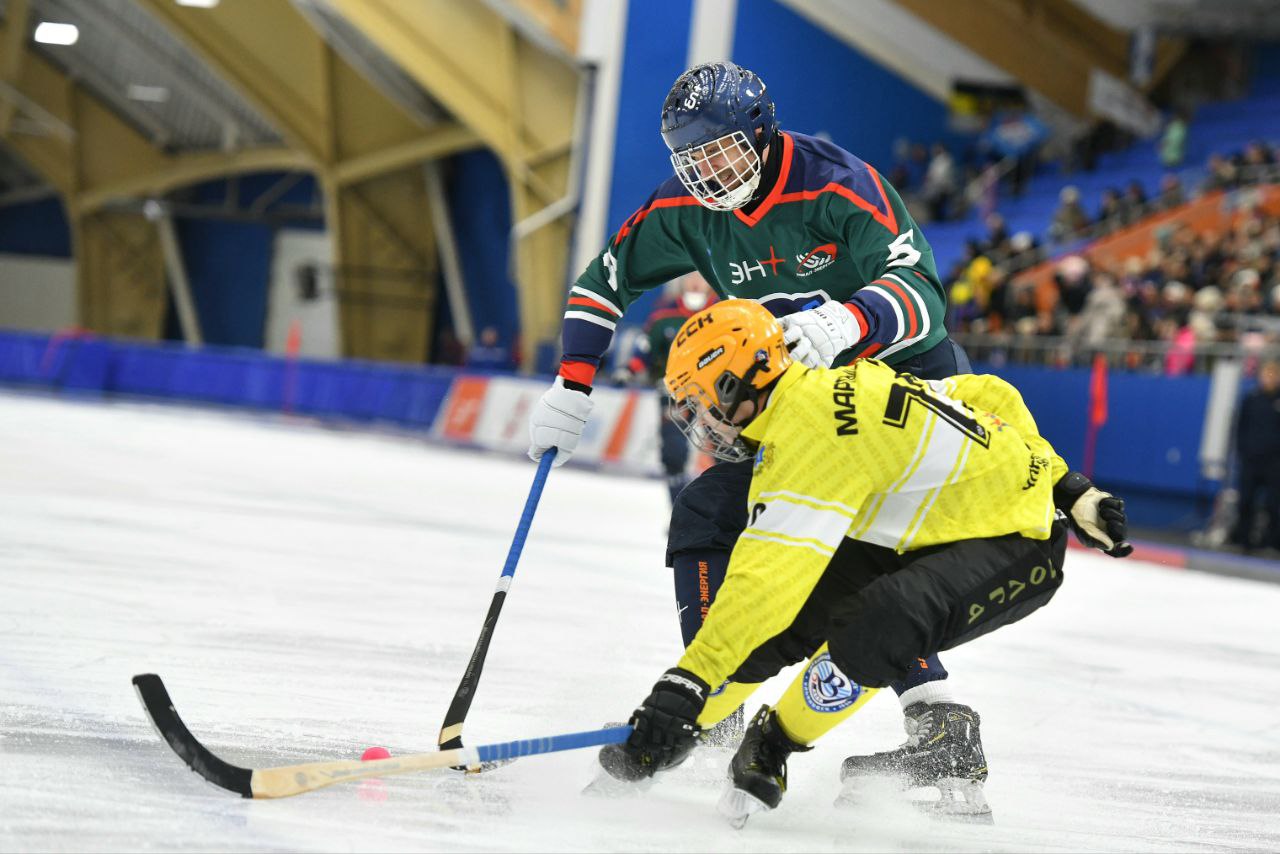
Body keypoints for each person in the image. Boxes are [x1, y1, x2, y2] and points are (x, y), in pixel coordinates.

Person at [528, 60, 978, 762]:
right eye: (691, 161)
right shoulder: (683, 210)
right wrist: (571, 382)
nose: (708, 176)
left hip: (909, 389)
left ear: (762, 135)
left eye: (722, 153)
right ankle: (719, 708)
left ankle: (929, 721)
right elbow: (601, 284)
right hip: (817, 413)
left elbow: (922, 293)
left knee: (854, 550)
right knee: (708, 513)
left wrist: (849, 320)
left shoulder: (837, 184)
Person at [597, 299, 1133, 823]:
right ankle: (682, 735)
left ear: (743, 382)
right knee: (785, 626)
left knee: (880, 622)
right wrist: (1068, 483)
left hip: (1018, 540)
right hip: (920, 533)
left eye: (704, 401)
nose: (704, 422)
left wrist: (685, 682)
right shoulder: (822, 391)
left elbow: (764, 583)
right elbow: (990, 393)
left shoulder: (808, 439)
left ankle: (774, 741)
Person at [613, 272, 717, 506]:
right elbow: (646, 349)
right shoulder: (664, 314)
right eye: (690, 277)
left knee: (726, 453)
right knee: (673, 452)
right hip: (674, 393)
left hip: (716, 394)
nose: (695, 282)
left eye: (701, 277)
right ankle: (679, 509)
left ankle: (723, 512)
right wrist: (628, 370)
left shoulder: (723, 313)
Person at [1231, 360, 1280, 552]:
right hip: (1251, 460)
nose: (1269, 378)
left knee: (1274, 504)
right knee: (1246, 501)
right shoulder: (1251, 399)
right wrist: (1242, 451)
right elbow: (1241, 427)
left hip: (1274, 463)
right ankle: (1245, 541)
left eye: (1273, 374)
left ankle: (1273, 542)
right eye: (1266, 374)